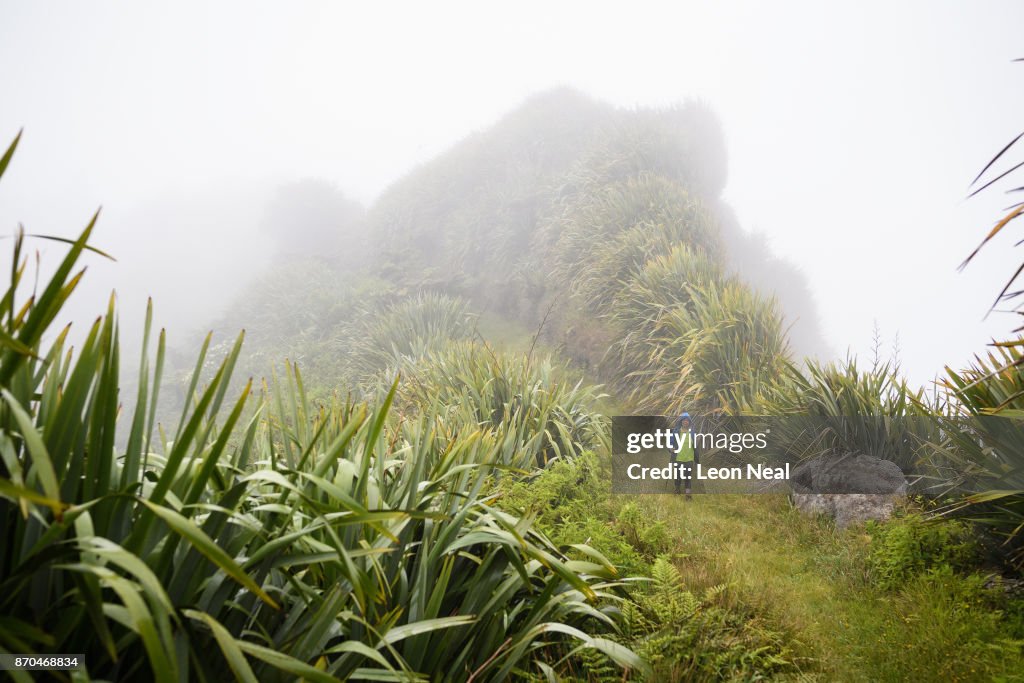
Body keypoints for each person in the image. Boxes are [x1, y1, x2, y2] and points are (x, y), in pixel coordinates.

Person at [670, 412, 698, 498]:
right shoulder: (675, 432)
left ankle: (688, 495)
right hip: (678, 458)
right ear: (681, 421)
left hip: (689, 458)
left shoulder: (692, 433)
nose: (686, 422)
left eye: (687, 420)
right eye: (684, 420)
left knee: (688, 477)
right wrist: (671, 448)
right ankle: (677, 490)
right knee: (678, 476)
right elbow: (670, 443)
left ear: (689, 422)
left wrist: (696, 457)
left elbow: (695, 446)